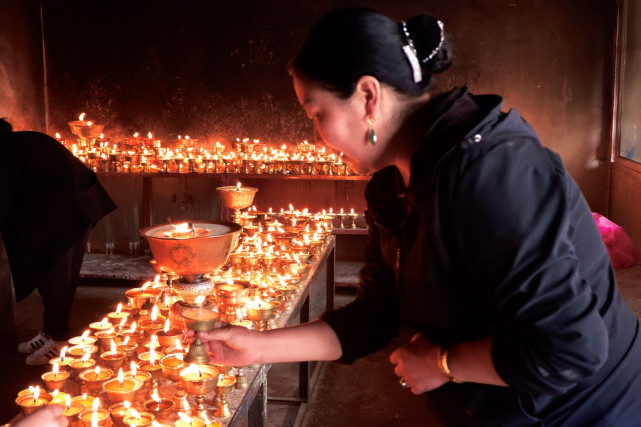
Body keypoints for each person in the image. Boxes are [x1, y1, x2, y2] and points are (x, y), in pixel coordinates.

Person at [194, 8, 641, 425]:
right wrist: (256, 347)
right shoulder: (392, 187)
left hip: (583, 410)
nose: (319, 137)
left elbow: (570, 350)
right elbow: (375, 315)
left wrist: (444, 363)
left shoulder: (492, 175)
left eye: (318, 114)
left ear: (368, 96)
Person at [0, 118, 116, 365]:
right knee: (49, 277)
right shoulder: (20, 142)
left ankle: (59, 341)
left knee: (56, 280)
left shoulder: (6, 152)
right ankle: (49, 332)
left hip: (67, 211)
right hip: (70, 206)